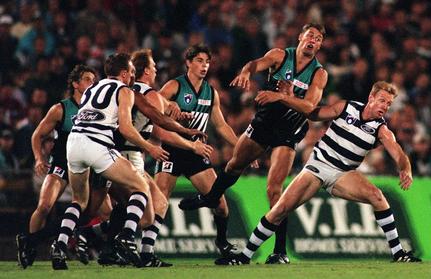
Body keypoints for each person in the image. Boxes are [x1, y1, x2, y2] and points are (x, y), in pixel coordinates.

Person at [215, 81, 420, 265]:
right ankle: (244, 257)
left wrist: (406, 169)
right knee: (280, 209)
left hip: (343, 173)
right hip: (318, 166)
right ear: (371, 98)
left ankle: (398, 252)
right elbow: (313, 114)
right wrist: (286, 98)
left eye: (389, 104)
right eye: (382, 101)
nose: (385, 106)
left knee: (378, 197)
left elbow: (399, 153)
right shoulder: (345, 107)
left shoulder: (381, 130)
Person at [179, 23, 328, 264]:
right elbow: (255, 64)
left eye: (318, 38)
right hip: (265, 122)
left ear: (320, 45)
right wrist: (247, 72)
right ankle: (210, 198)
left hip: (289, 130)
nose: (313, 40)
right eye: (310, 35)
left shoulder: (319, 73)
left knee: (274, 189)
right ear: (301, 37)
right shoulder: (280, 55)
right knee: (235, 164)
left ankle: (280, 251)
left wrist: (282, 96)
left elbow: (310, 107)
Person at [76, 48, 212, 267]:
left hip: (102, 151)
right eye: (154, 66)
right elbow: (160, 129)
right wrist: (190, 142)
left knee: (117, 207)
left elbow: (157, 110)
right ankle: (139, 249)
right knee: (157, 204)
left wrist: (172, 107)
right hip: (129, 154)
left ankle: (103, 246)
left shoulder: (128, 89)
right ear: (146, 71)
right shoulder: (148, 95)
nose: (157, 70)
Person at [50, 53, 168, 269]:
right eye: (131, 72)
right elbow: (125, 127)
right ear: (124, 74)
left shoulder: (91, 89)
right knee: (140, 187)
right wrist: (149, 146)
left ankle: (59, 245)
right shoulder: (124, 90)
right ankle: (126, 236)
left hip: (74, 143)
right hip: (97, 144)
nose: (133, 76)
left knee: (78, 201)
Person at [153, 44, 240, 257]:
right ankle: (147, 249)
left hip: (196, 152)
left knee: (220, 204)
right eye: (199, 61)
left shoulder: (211, 93)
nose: (204, 66)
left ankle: (222, 243)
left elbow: (221, 126)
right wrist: (169, 103)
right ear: (188, 63)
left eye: (207, 62)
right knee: (159, 201)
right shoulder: (175, 85)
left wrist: (240, 148)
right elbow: (154, 101)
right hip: (172, 149)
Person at [16, 65, 97, 269]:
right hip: (61, 164)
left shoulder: (97, 108)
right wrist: (38, 159)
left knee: (99, 212)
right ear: (76, 84)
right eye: (87, 79)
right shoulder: (61, 108)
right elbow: (37, 135)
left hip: (86, 167)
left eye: (94, 80)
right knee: (44, 207)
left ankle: (79, 241)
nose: (92, 83)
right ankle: (30, 247)